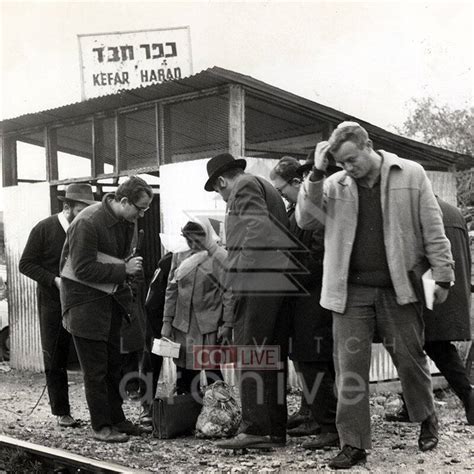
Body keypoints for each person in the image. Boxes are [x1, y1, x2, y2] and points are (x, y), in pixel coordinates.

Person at [296, 122, 454, 469]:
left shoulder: (410, 174)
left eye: (352, 160)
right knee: (349, 369)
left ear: (369, 146)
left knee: (410, 360)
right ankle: (353, 443)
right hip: (349, 293)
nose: (348, 168)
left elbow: (433, 227)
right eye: (342, 163)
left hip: (399, 288)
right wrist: (318, 173)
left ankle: (426, 416)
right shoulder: (334, 184)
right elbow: (307, 220)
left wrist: (442, 276)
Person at [204, 153, 290, 450]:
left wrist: (239, 273)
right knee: (272, 358)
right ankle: (275, 430)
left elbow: (257, 231)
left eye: (219, 192)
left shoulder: (242, 187)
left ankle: (254, 428)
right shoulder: (264, 186)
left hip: (256, 283)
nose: (222, 197)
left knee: (250, 354)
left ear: (222, 181)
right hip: (277, 283)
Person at [60, 176, 153, 443]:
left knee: (114, 364)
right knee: (96, 369)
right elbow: (82, 268)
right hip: (85, 306)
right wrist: (124, 269)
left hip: (109, 302)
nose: (143, 214)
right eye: (140, 208)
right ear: (123, 201)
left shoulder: (125, 222)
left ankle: (117, 419)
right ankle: (101, 426)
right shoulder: (87, 222)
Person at [270, 156, 338, 447]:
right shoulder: (295, 210)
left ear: (297, 183)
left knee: (315, 361)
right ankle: (314, 416)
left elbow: (319, 260)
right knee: (306, 360)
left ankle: (329, 426)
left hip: (314, 299)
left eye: (282, 189)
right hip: (302, 299)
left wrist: (284, 268)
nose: (281, 196)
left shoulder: (315, 212)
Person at [386, 197, 473, 425]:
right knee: (437, 347)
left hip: (426, 289)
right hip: (449, 290)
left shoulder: (421, 210)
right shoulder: (453, 212)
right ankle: (415, 405)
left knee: (414, 346)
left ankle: (466, 398)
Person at [19, 183, 97, 427]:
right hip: (52, 303)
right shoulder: (44, 228)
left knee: (93, 359)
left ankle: (101, 415)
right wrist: (53, 280)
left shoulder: (88, 228)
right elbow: (26, 264)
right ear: (67, 206)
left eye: (89, 208)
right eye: (82, 208)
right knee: (55, 358)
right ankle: (61, 412)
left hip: (83, 303)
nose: (86, 213)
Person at [161, 218, 233, 394]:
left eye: (197, 240)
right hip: (183, 325)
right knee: (184, 373)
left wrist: (227, 324)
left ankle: (217, 416)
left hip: (208, 326)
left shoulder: (220, 257)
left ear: (207, 236)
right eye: (188, 240)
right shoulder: (180, 254)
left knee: (212, 374)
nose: (192, 245)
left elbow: (229, 294)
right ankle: (186, 414)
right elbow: (172, 288)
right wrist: (167, 321)